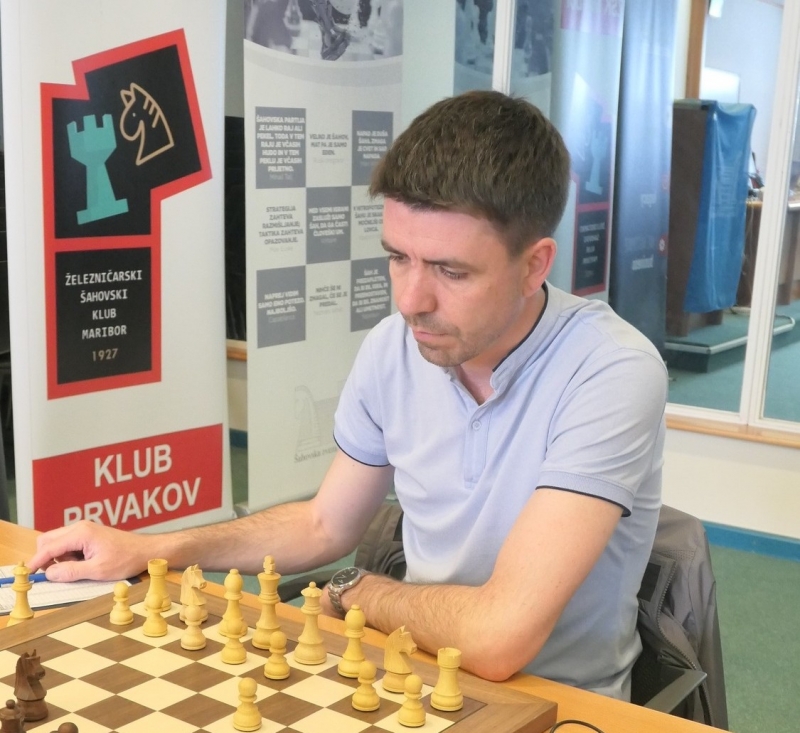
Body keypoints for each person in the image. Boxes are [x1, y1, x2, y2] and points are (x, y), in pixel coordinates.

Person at [29, 90, 667, 700]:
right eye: (398, 257)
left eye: (451, 271)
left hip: (559, 704)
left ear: (534, 265)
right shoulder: (395, 348)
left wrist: (356, 592)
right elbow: (323, 524)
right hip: (413, 672)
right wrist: (155, 547)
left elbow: (499, 638)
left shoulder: (610, 371)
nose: (411, 301)